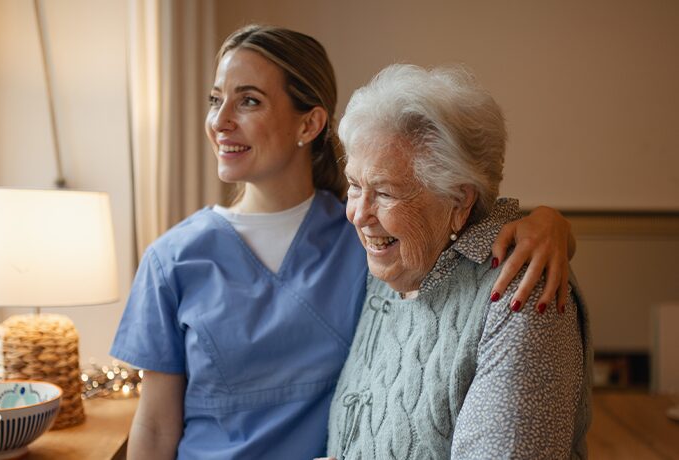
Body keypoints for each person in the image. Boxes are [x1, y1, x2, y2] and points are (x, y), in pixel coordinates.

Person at [110, 25, 577, 460]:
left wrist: (548, 222)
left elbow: (456, 230)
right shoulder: (173, 259)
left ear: (309, 124)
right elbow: (153, 427)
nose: (220, 121)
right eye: (215, 100)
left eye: (249, 100)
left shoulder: (365, 243)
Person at [323, 64, 590, 460]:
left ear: (460, 201)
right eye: (356, 185)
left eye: (384, 192)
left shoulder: (519, 296)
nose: (358, 213)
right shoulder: (395, 265)